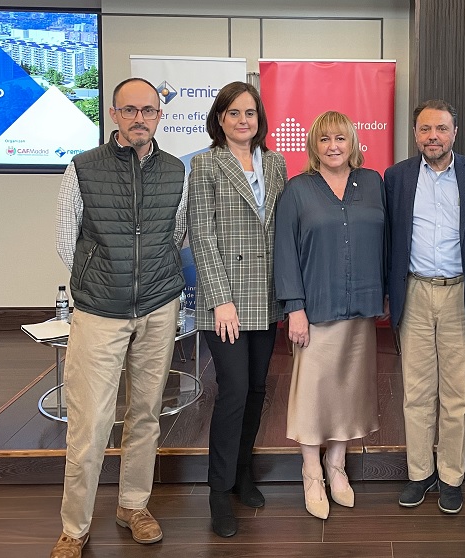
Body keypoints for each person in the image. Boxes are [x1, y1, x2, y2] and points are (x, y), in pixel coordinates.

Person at [51, 77, 187, 558]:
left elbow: (176, 233)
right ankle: (75, 527)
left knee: (146, 414)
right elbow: (66, 241)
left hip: (157, 306)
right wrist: (99, 279)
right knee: (90, 422)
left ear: (159, 116)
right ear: (113, 115)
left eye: (148, 110)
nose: (139, 118)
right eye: (129, 110)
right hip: (99, 312)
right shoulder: (83, 167)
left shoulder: (176, 170)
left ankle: (133, 505)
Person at [274, 111, 387, 520]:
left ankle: (336, 465)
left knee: (350, 389)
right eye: (324, 139)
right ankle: (311, 471)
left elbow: (387, 239)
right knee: (312, 392)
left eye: (340, 138)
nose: (333, 146)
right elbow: (285, 251)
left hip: (362, 305)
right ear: (313, 146)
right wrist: (295, 308)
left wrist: (386, 293)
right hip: (316, 307)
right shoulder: (298, 189)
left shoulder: (372, 182)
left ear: (352, 142)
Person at [187, 81, 288, 537]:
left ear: (259, 118)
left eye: (250, 112)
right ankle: (218, 489)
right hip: (225, 301)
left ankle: (243, 473)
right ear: (220, 119)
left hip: (266, 296)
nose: (243, 120)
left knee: (258, 390)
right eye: (233, 112)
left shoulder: (276, 162)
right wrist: (220, 300)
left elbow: (282, 228)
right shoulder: (206, 164)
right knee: (234, 391)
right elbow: (202, 235)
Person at [385, 99, 465, 514]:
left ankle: (451, 476)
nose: (433, 137)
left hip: (461, 291)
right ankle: (419, 473)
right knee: (416, 391)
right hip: (414, 291)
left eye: (441, 129)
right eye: (425, 129)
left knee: (457, 394)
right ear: (415, 134)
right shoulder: (397, 176)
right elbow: (389, 237)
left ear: (454, 133)